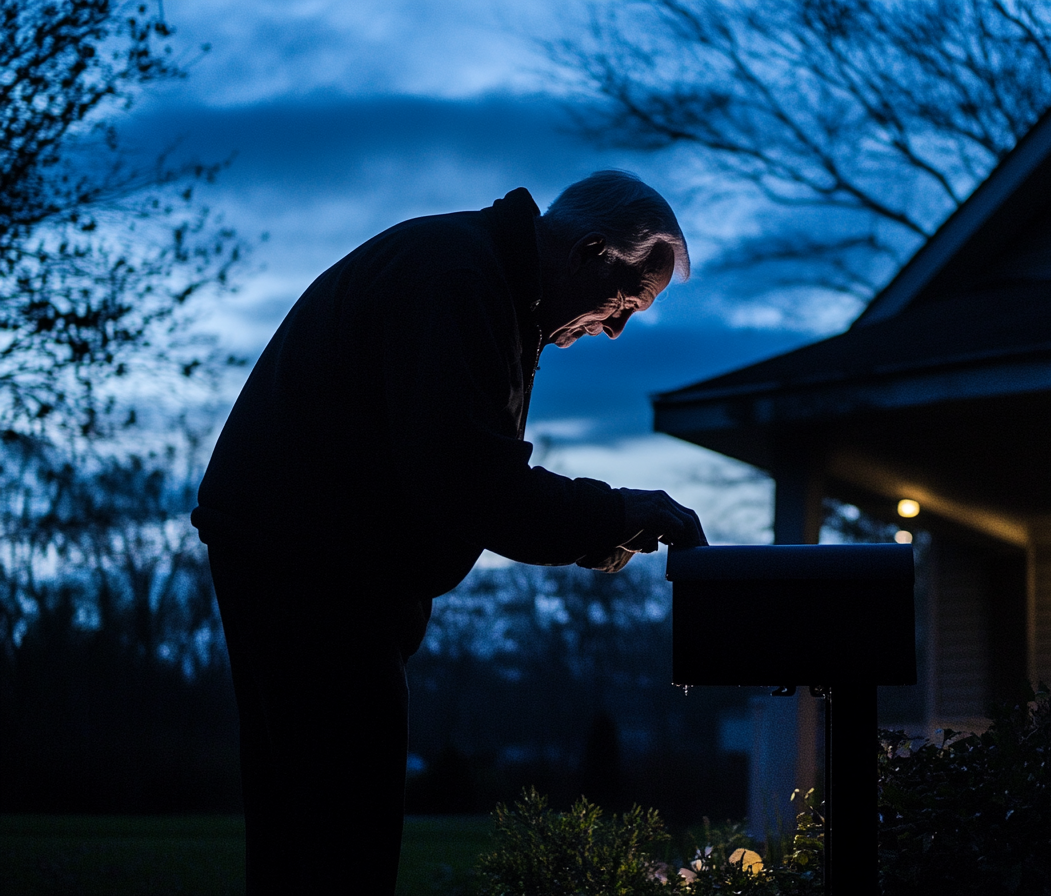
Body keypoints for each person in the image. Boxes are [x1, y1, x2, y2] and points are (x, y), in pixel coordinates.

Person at [192, 170, 707, 894]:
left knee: (306, 829)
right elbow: (470, 480)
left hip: (307, 557)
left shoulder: (483, 280)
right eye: (623, 303)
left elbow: (461, 477)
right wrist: (616, 514)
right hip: (313, 570)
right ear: (591, 249)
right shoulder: (459, 280)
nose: (616, 329)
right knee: (340, 835)